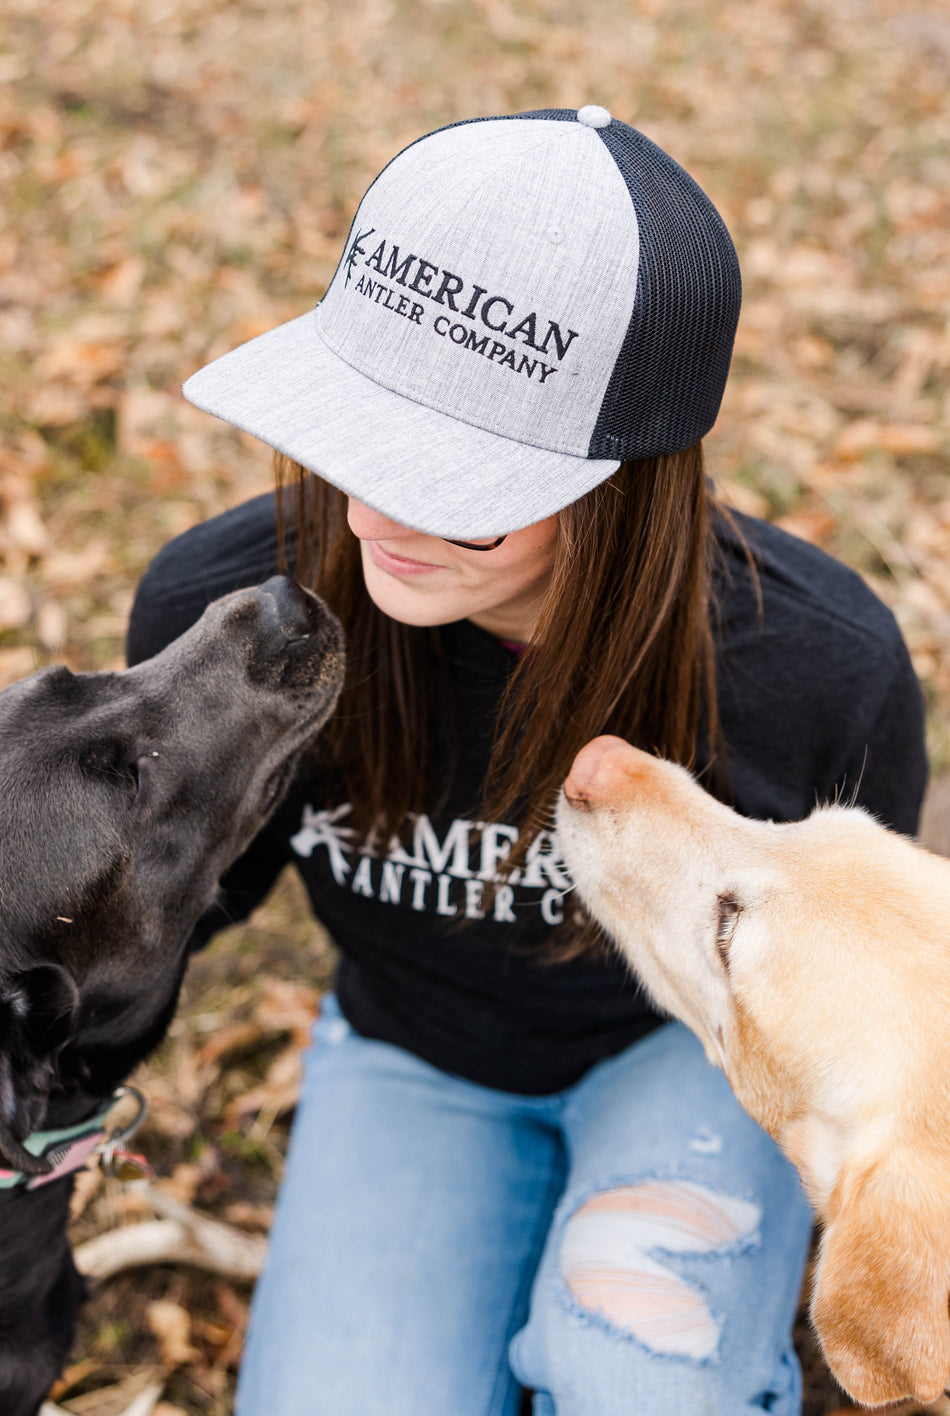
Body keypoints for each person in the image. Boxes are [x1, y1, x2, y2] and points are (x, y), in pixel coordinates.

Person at [127, 106, 927, 1416]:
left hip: (683, 1054)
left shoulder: (819, 677)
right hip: (410, 1048)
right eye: (358, 436)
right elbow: (147, 919)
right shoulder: (228, 618)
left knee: (642, 1380)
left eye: (456, 481)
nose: (373, 515)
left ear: (626, 478)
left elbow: (855, 1023)